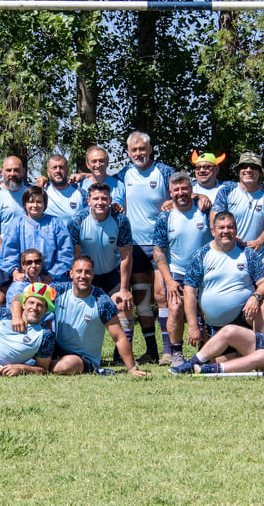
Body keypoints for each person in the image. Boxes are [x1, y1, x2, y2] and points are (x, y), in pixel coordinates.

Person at [23, 255, 143, 375]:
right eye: (79, 271)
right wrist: (18, 317)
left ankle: (36, 367)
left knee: (66, 366)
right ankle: (37, 365)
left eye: (87, 272)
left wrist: (132, 369)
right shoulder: (59, 290)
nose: (83, 276)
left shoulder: (102, 302)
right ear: (71, 274)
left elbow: (119, 337)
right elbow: (21, 297)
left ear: (93, 275)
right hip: (56, 350)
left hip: (83, 359)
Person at [117, 132, 175, 365]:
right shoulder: (124, 174)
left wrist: (173, 200)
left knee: (162, 296)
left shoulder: (164, 171)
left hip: (160, 245)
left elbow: (186, 191)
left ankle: (170, 350)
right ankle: (151, 351)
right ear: (129, 153)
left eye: (142, 149)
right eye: (134, 150)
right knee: (141, 299)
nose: (139, 153)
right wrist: (80, 174)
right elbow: (101, 179)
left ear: (150, 149)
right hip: (136, 246)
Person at [183, 212, 264, 346]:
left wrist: (256, 296)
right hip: (217, 324)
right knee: (227, 366)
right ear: (213, 231)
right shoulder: (201, 255)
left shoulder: (247, 253)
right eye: (221, 228)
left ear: (236, 230)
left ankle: (261, 353)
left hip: (244, 317)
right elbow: (189, 292)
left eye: (230, 227)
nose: (226, 231)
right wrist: (193, 326)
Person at [151, 171, 211, 364]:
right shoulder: (165, 217)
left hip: (207, 271)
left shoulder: (205, 211)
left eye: (184, 188)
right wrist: (168, 280)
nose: (180, 192)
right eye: (176, 189)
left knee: (208, 310)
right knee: (175, 308)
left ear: (192, 189)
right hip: (178, 272)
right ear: (170, 192)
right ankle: (176, 352)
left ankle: (206, 351)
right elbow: (158, 252)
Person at [68, 182, 134, 323]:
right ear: (88, 201)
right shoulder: (76, 221)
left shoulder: (121, 220)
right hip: (87, 274)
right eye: (96, 199)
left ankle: (123, 345)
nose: (100, 202)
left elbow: (126, 257)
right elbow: (75, 257)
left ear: (110, 200)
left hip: (112, 272)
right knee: (81, 311)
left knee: (123, 304)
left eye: (104, 199)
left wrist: (124, 288)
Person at [0, 186, 72, 304]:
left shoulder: (55, 223)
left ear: (44, 204)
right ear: (25, 204)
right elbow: (9, 251)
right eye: (30, 202)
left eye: (38, 202)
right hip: (24, 277)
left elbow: (65, 252)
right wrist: (15, 272)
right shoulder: (17, 224)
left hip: (50, 278)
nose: (34, 205)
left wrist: (52, 274)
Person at [216, 153, 264, 268]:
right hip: (230, 258)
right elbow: (214, 220)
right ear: (238, 170)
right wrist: (231, 236)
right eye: (244, 166)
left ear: (260, 172)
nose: (248, 170)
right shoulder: (226, 191)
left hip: (260, 260)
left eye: (253, 167)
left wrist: (260, 241)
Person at [40, 153, 86, 222]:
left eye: (61, 167)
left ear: (67, 171)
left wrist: (84, 174)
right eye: (54, 168)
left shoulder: (81, 193)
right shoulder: (41, 192)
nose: (58, 171)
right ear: (48, 172)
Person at [0, 154, 30, 222]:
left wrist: (43, 179)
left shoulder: (32, 191)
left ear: (23, 171)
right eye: (8, 170)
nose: (12, 174)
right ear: (2, 172)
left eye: (16, 170)